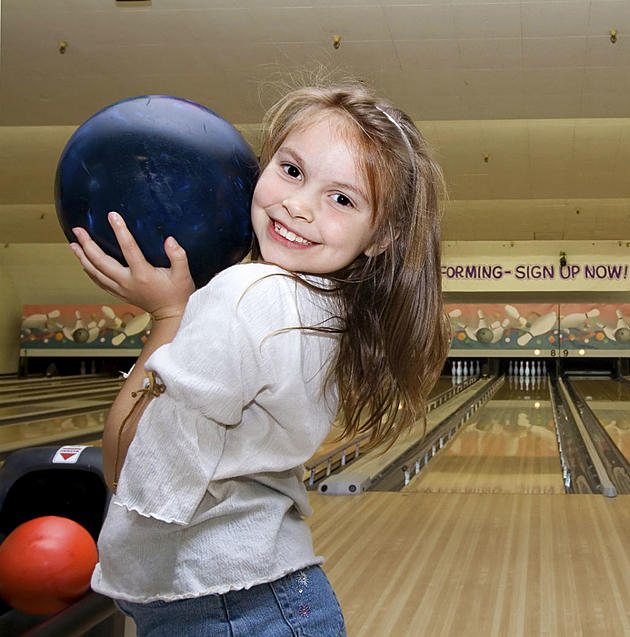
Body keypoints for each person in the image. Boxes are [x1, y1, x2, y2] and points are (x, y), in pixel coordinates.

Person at [68, 81, 448, 636]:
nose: (297, 204)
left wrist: (168, 316)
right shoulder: (325, 310)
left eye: (342, 198)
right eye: (292, 171)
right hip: (262, 602)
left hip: (226, 610)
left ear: (381, 234)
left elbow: (128, 469)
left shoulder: (250, 293)